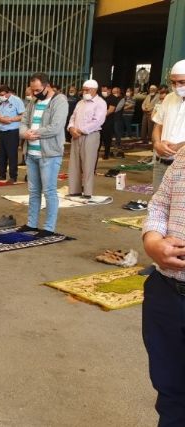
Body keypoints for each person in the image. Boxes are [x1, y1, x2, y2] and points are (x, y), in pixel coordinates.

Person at [141, 61, 185, 425]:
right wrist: (153, 240)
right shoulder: (184, 157)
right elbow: (159, 203)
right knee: (170, 392)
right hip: (168, 291)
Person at [19, 72, 68, 237]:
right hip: (31, 152)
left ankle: (49, 227)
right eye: (32, 90)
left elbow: (56, 127)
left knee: (49, 191)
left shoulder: (59, 101)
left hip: (49, 154)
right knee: (33, 191)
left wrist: (34, 133)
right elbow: (23, 122)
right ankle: (32, 224)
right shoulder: (33, 101)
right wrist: (24, 133)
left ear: (47, 86)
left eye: (38, 90)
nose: (34, 93)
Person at [67, 79, 107, 198]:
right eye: (83, 90)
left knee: (88, 164)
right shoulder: (80, 103)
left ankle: (87, 192)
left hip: (90, 136)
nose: (84, 92)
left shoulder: (100, 103)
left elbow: (98, 121)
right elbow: (72, 117)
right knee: (74, 164)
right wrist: (71, 128)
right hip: (76, 135)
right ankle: (75, 190)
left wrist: (80, 130)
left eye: (87, 90)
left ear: (94, 90)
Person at [151, 60, 185, 192]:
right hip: (161, 164)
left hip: (182, 166)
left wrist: (177, 147)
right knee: (157, 203)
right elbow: (158, 124)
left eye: (182, 82)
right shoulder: (169, 98)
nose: (177, 86)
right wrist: (157, 143)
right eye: (173, 82)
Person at [0, 85, 25, 183]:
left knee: (12, 154)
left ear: (8, 93)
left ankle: (13, 176)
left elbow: (23, 115)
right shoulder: (0, 100)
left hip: (12, 131)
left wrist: (11, 119)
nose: (1, 96)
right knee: (1, 154)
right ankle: (1, 174)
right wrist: (1, 119)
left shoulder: (17, 100)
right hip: (1, 130)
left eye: (2, 94)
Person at [99, 85, 118, 159]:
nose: (103, 92)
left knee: (107, 138)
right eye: (102, 91)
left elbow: (111, 110)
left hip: (108, 121)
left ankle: (106, 154)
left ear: (109, 90)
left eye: (104, 90)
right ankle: (96, 152)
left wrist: (101, 116)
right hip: (99, 122)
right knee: (99, 138)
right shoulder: (100, 98)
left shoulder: (113, 98)